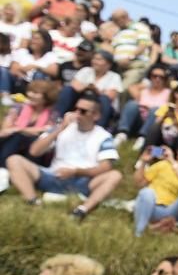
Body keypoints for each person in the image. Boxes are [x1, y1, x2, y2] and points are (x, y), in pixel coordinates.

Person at [6, 91, 123, 219]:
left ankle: (81, 210)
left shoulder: (103, 136)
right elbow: (35, 151)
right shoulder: (62, 128)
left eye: (83, 111)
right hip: (54, 174)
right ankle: (33, 202)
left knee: (115, 175)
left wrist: (75, 171)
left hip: (83, 181)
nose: (77, 114)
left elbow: (105, 167)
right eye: (76, 109)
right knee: (14, 160)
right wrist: (60, 128)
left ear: (95, 116)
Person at [133, 142, 178, 236]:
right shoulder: (163, 165)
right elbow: (139, 184)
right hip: (152, 206)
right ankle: (140, 232)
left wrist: (173, 162)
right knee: (146, 192)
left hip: (173, 211)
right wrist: (143, 162)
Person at [0, 79, 58, 166]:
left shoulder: (52, 114)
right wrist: (22, 130)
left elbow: (45, 131)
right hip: (12, 142)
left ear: (47, 96)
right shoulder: (18, 107)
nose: (31, 95)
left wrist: (17, 129)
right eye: (30, 91)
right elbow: (5, 129)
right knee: (16, 137)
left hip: (33, 149)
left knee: (28, 138)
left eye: (35, 93)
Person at [116, 65, 172, 144]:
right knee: (132, 104)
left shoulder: (168, 93)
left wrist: (148, 107)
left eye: (161, 77)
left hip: (154, 122)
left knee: (155, 110)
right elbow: (131, 87)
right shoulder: (144, 90)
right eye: (154, 76)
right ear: (150, 77)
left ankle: (143, 137)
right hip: (139, 119)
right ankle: (122, 133)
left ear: (165, 79)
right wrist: (147, 85)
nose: (157, 79)